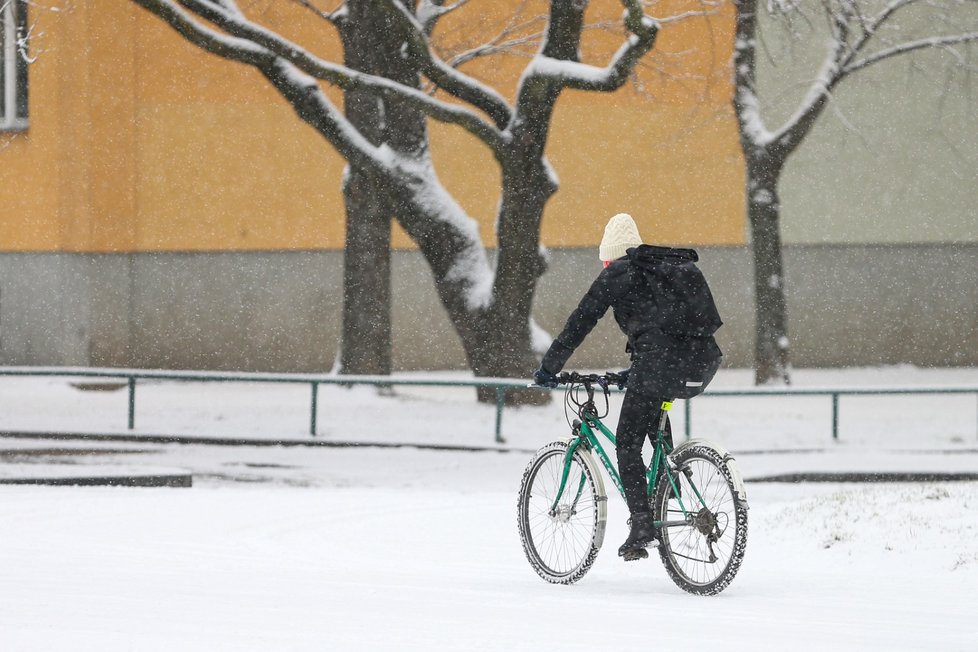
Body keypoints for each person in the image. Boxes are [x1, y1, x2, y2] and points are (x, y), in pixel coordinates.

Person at [533, 213, 723, 560]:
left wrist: (548, 368)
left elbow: (580, 322)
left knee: (627, 443)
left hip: (660, 365)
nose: (605, 264)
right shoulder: (660, 271)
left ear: (612, 254)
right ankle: (670, 484)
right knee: (652, 411)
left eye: (606, 258)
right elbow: (661, 330)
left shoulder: (618, 272)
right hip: (699, 361)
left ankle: (641, 525)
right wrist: (633, 371)